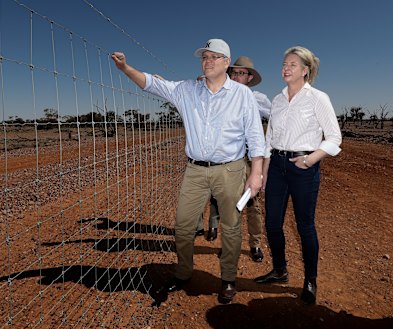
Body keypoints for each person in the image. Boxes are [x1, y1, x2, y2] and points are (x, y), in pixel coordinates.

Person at [111, 38, 266, 304]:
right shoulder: (187, 90)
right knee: (183, 225)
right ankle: (183, 272)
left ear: (227, 63)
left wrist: (256, 173)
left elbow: (255, 135)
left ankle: (228, 279)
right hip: (195, 171)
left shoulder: (243, 95)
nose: (207, 61)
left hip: (229, 170)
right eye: (204, 57)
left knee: (230, 226)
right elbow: (151, 83)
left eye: (214, 57)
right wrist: (126, 68)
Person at [254, 46, 342, 305]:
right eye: (284, 63)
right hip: (277, 167)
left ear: (305, 71)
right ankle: (280, 270)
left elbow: (334, 136)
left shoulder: (318, 98)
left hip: (304, 167)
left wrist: (312, 158)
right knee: (272, 223)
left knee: (305, 226)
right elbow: (270, 139)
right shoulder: (278, 100)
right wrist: (264, 173)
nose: (286, 68)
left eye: (292, 64)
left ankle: (310, 280)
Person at [196, 56, 271, 263]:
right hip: (227, 159)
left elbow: (276, 118)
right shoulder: (221, 94)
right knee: (225, 201)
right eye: (235, 72)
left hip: (249, 161)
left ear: (249, 78)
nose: (238, 76)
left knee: (252, 203)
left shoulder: (258, 99)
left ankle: (255, 244)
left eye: (243, 73)